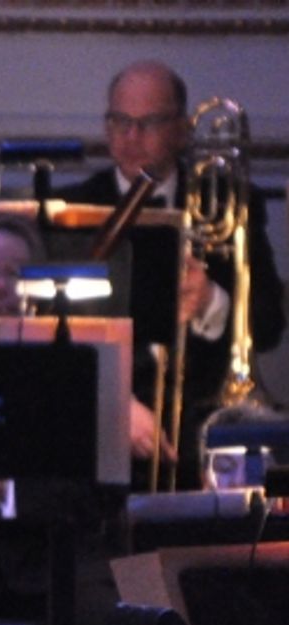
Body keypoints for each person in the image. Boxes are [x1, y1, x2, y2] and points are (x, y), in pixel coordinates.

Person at [56, 59, 285, 486]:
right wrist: (112, 401)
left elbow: (270, 324)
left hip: (200, 424)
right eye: (120, 121)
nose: (131, 137)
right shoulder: (68, 209)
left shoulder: (232, 200)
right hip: (95, 418)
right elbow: (45, 334)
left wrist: (213, 303)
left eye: (150, 123)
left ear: (182, 129)